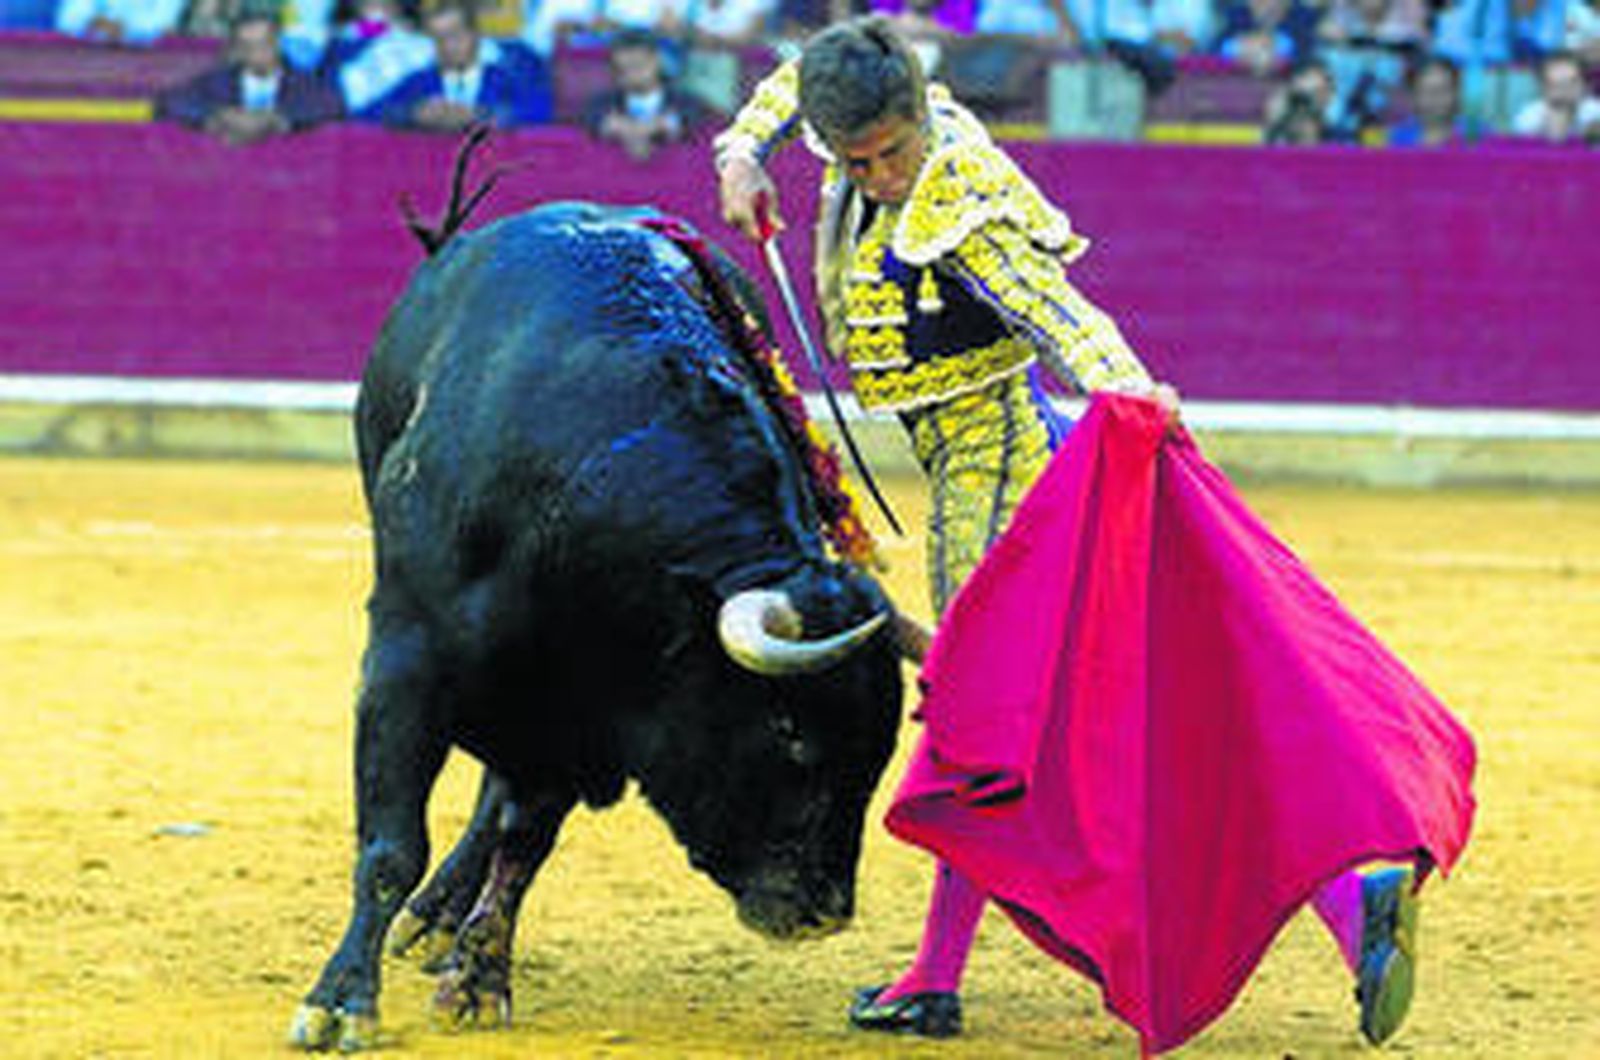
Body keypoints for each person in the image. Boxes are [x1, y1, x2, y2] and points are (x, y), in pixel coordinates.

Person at [716, 16, 1429, 1048]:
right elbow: (797, 78)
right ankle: (1347, 899)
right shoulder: (855, 112)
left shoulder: (964, 200)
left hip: (996, 463)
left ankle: (934, 975)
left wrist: (1141, 396)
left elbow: (1060, 315)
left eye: (890, 153)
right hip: (978, 452)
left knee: (976, 723)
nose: (876, 178)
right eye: (856, 159)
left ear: (922, 115)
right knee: (1095, 718)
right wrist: (741, 151)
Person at [156, 12, 344, 145]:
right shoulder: (216, 81)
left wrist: (274, 120)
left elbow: (330, 105)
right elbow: (172, 102)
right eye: (248, 46)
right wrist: (218, 116)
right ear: (237, 49)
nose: (257, 52)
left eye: (264, 44)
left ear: (278, 44)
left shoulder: (305, 83)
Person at [379, 1, 552, 132]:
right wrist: (415, 114)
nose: (447, 46)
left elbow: (540, 110)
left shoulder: (505, 78)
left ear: (475, 36)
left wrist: (481, 116)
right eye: (439, 39)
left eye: (454, 36)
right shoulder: (419, 81)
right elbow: (379, 111)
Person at [585, 28, 717, 159]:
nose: (633, 74)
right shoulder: (600, 104)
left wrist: (647, 129)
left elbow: (695, 124)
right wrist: (625, 129)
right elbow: (592, 121)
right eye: (624, 69)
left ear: (657, 61)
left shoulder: (687, 103)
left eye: (639, 66)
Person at [1511, 49, 1600, 141]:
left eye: (1572, 82)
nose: (1565, 90)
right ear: (1543, 88)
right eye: (1556, 84)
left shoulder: (1595, 110)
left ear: (1585, 84)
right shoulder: (1529, 118)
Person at [1387, 55, 1477, 145]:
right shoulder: (1397, 140)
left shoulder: (1476, 137)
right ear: (1413, 95)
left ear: (1456, 93)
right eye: (1425, 91)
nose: (1434, 99)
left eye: (1441, 90)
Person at [54, 0, 185, 44]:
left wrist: (124, 31)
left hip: (148, 66)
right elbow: (67, 21)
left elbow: (163, 25)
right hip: (92, 62)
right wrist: (97, 23)